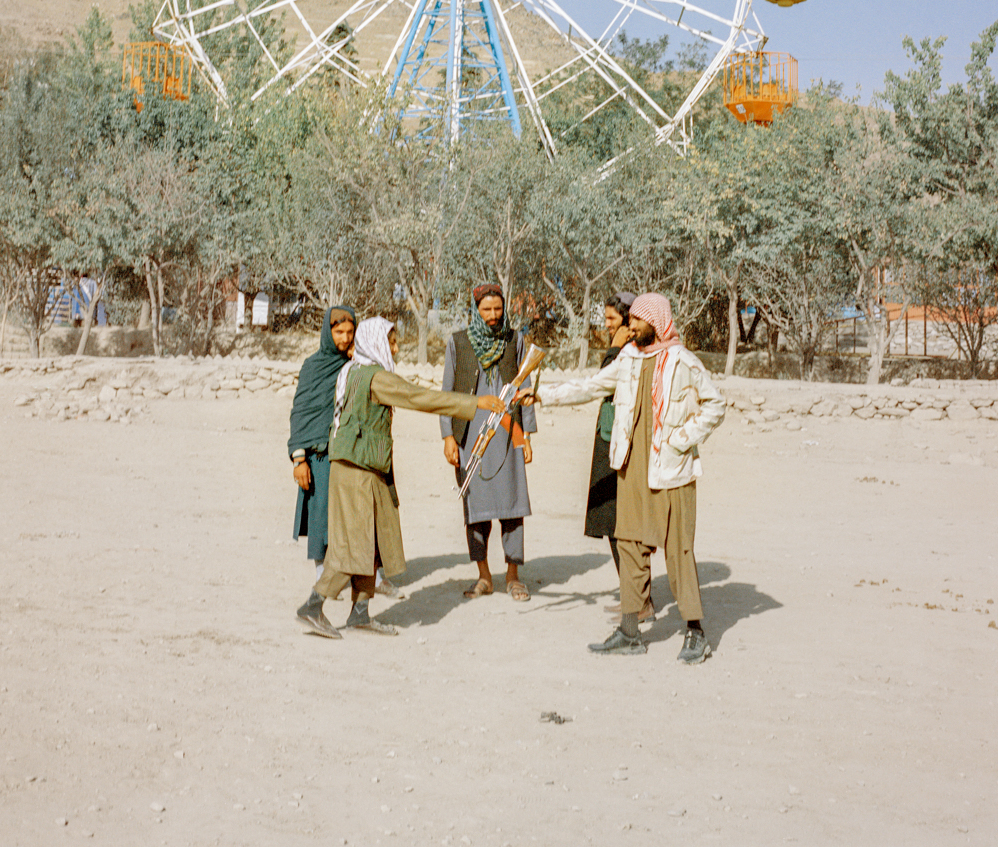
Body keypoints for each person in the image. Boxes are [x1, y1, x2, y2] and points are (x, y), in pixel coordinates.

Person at [535, 292, 725, 664]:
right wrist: (541, 396)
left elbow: (715, 404)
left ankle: (696, 632)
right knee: (629, 545)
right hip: (631, 467)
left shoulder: (682, 361)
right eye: (631, 319)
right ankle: (629, 632)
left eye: (638, 320)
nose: (631, 325)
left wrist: (681, 439)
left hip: (670, 471)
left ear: (656, 321)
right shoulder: (630, 359)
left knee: (678, 551)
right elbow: (591, 387)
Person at [297, 316, 504, 639]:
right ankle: (313, 606)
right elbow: (417, 397)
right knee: (353, 546)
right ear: (376, 342)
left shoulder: (355, 372)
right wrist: (473, 403)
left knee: (372, 541)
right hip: (356, 471)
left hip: (366, 467)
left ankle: (360, 613)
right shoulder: (374, 378)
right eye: (391, 341)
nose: (395, 348)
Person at [441, 283, 537, 601]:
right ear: (475, 310)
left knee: (513, 507)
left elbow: (525, 393)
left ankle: (512, 576)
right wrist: (448, 437)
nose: (494, 316)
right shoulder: (459, 342)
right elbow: (448, 394)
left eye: (498, 309)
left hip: (508, 434)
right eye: (486, 310)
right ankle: (484, 576)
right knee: (476, 510)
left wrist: (526, 439)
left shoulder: (516, 340)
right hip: (470, 436)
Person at [288, 306, 357, 582]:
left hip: (349, 453)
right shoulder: (312, 366)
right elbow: (301, 412)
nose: (345, 338)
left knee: (349, 514)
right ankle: (322, 576)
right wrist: (299, 460)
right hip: (318, 456)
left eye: (350, 332)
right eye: (339, 332)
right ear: (328, 334)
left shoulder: (355, 365)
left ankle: (357, 575)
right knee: (321, 515)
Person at [584, 294, 642, 606]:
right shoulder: (621, 350)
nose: (606, 326)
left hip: (623, 443)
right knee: (610, 522)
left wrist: (616, 346)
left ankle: (637, 598)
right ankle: (631, 595)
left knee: (624, 524)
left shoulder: (631, 352)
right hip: (607, 437)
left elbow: (603, 382)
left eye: (612, 320)